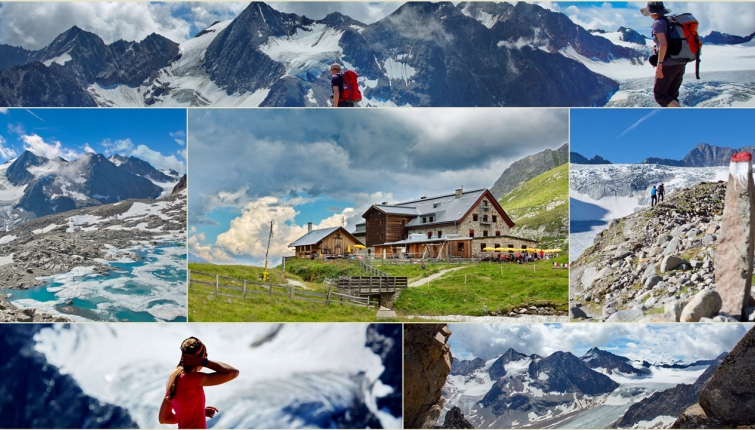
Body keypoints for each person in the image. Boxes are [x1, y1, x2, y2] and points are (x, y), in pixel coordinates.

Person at [159, 337, 240, 429]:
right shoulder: (191, 379)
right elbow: (233, 373)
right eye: (205, 356)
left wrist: (198, 413)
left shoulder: (173, 380)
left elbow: (164, 418)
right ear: (199, 358)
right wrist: (204, 362)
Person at [642, 2, 684, 107]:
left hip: (667, 64)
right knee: (672, 96)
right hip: (680, 63)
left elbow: (663, 44)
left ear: (652, 12)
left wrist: (660, 64)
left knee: (660, 95)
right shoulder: (671, 22)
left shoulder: (658, 23)